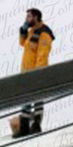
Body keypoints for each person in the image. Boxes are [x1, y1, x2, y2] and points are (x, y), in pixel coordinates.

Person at [14, 8, 55, 138]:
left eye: (29, 17)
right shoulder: (32, 31)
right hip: (26, 72)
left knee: (37, 99)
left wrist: (38, 74)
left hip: (36, 72)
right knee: (26, 99)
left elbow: (42, 55)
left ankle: (36, 126)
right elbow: (23, 43)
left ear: (36, 17)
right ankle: (24, 126)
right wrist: (23, 30)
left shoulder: (44, 33)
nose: (27, 19)